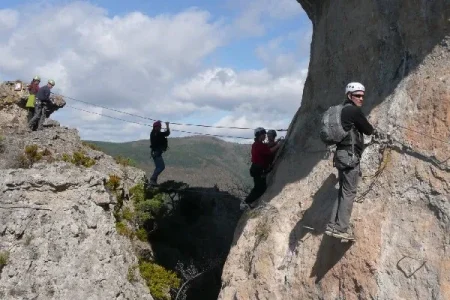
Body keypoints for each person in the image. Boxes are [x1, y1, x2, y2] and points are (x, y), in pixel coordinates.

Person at [325, 82, 374, 240]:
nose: (361, 99)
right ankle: (341, 228)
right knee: (349, 192)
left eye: (362, 96)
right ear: (349, 96)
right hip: (350, 156)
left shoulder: (340, 110)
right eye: (358, 96)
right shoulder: (353, 110)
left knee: (343, 191)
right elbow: (368, 129)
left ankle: (333, 225)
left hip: (340, 155)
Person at [242, 127, 282, 209]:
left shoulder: (257, 144)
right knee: (260, 188)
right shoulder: (258, 145)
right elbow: (270, 151)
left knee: (259, 187)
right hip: (258, 169)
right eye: (264, 134)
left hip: (256, 169)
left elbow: (267, 146)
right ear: (260, 135)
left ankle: (248, 202)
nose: (265, 136)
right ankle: (246, 202)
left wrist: (276, 142)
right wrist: (279, 145)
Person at [149, 120, 170, 186]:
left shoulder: (153, 133)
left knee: (158, 167)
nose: (160, 128)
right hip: (157, 153)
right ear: (156, 127)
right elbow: (167, 133)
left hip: (155, 152)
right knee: (161, 167)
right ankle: (152, 179)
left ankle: (154, 181)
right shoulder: (157, 134)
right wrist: (167, 125)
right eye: (159, 127)